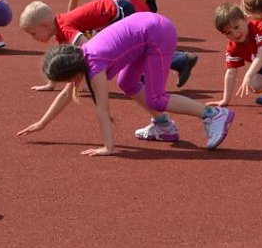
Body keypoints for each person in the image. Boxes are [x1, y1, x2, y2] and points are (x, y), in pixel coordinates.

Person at [17, 12, 235, 154]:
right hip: (147, 31)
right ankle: (164, 126)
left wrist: (108, 147)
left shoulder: (94, 67)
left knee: (156, 98)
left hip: (157, 34)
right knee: (127, 82)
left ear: (72, 72)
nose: (71, 84)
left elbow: (102, 109)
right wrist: (42, 123)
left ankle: (213, 115)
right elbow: (65, 95)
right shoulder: (82, 56)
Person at [19, 0, 198, 91]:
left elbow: (87, 48)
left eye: (33, 33)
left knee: (124, 51)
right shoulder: (59, 30)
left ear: (44, 25)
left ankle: (173, 63)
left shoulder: (64, 28)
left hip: (116, 11)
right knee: (126, 52)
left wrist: (90, 74)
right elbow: (61, 59)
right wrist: (52, 84)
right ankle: (180, 60)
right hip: (114, 9)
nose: (34, 38)